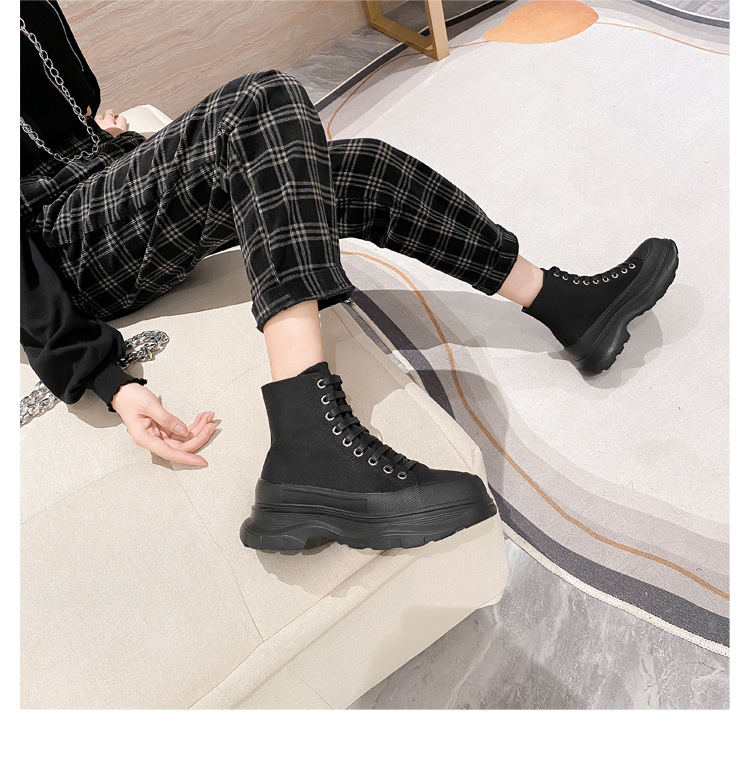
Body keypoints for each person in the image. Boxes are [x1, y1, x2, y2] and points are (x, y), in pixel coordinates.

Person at [20, 1, 678, 552]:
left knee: (358, 167)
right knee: (261, 101)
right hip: (56, 238)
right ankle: (307, 442)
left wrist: (91, 137)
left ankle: (561, 303)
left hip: (96, 177)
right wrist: (103, 376)